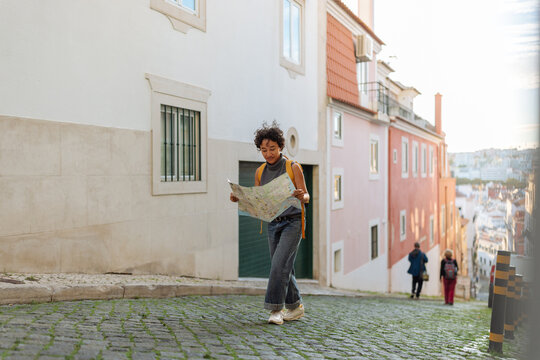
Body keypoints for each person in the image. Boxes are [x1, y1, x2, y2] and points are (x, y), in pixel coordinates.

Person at [230, 122, 309, 325]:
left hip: (293, 222)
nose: (268, 153)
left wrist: (303, 195)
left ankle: (275, 309)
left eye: (272, 149)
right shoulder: (260, 172)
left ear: (280, 146)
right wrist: (240, 198)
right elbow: (259, 200)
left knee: (278, 265)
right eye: (264, 150)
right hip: (273, 223)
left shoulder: (293, 167)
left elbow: (307, 196)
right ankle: (295, 306)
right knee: (283, 266)